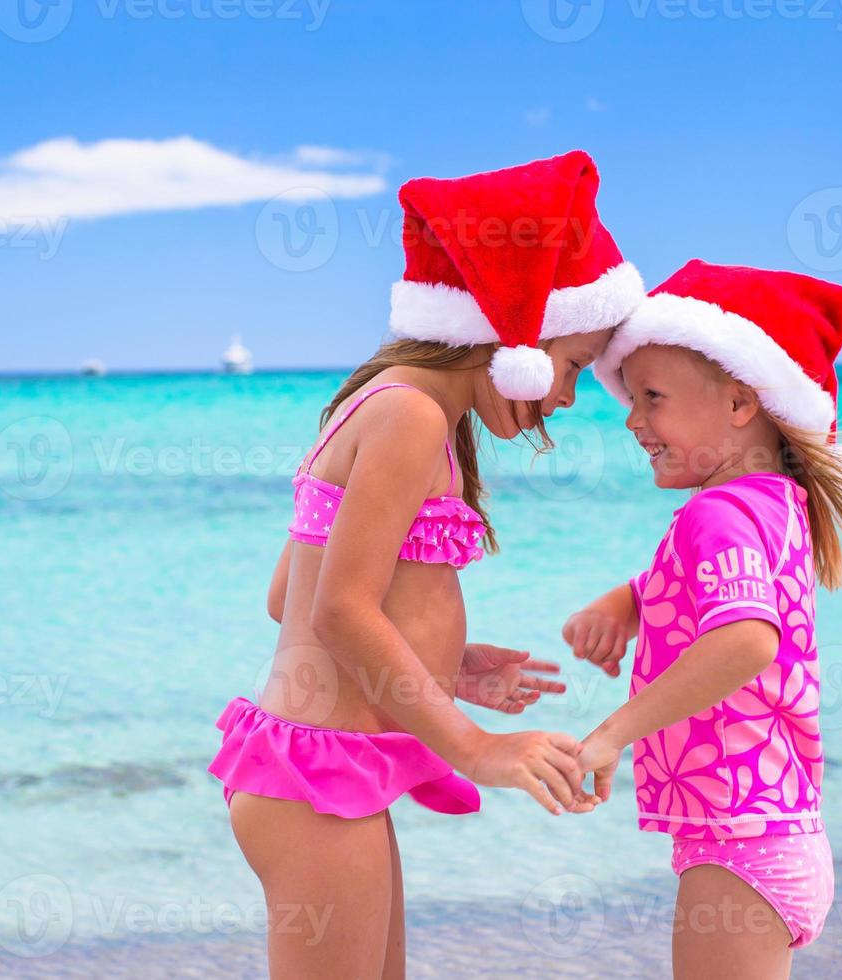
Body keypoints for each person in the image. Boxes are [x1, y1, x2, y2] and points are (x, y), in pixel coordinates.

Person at [210, 151, 644, 979]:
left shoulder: (390, 405)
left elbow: (288, 599)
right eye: (577, 364)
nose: (569, 396)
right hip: (317, 780)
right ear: (513, 333)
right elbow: (339, 612)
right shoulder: (410, 415)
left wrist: (441, 660)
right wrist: (478, 748)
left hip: (321, 773)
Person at [565, 260, 842, 979]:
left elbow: (746, 638)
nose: (632, 418)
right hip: (774, 828)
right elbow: (726, 588)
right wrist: (627, 603)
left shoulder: (717, 512)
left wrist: (610, 737)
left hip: (739, 842)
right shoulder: (775, 504)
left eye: (652, 396)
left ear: (742, 401)